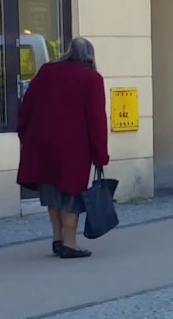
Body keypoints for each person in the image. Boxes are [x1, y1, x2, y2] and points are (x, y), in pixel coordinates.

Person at [16, 37, 109, 259]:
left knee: (52, 193)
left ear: (68, 52)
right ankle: (70, 243)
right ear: (90, 56)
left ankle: (57, 239)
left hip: (42, 145)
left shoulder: (47, 71)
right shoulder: (91, 79)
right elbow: (96, 120)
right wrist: (100, 154)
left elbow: (27, 106)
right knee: (70, 195)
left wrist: (26, 135)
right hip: (73, 148)